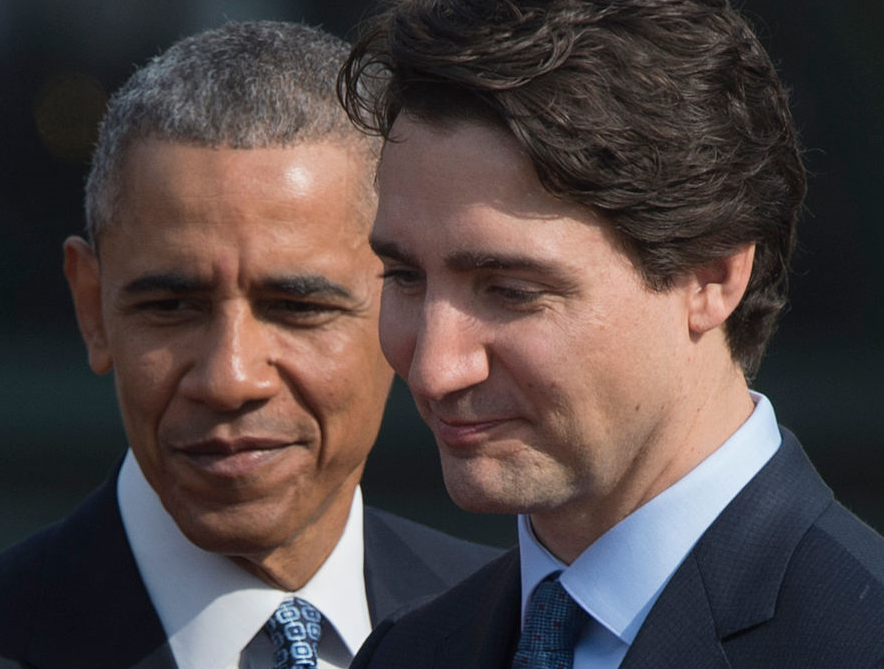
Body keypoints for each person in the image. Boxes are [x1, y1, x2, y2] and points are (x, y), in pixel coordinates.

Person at [0, 21, 499, 668]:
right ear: (93, 308)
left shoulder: (523, 631)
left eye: (298, 308)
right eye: (171, 307)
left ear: (409, 308)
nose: (230, 377)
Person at [337, 0, 884, 666]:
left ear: (712, 277)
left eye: (511, 291)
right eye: (404, 277)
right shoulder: (408, 652)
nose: (434, 368)